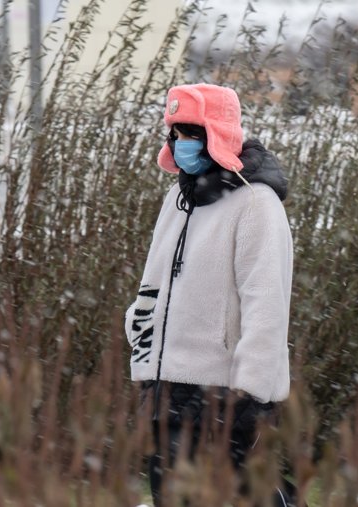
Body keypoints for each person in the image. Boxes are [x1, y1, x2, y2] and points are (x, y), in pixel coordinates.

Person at [123, 83, 294, 506]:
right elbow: (153, 283)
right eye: (176, 134)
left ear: (217, 133)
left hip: (225, 393)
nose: (181, 144)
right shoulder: (178, 200)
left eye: (191, 134)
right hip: (168, 387)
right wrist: (141, 338)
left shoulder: (256, 204)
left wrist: (250, 394)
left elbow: (266, 307)